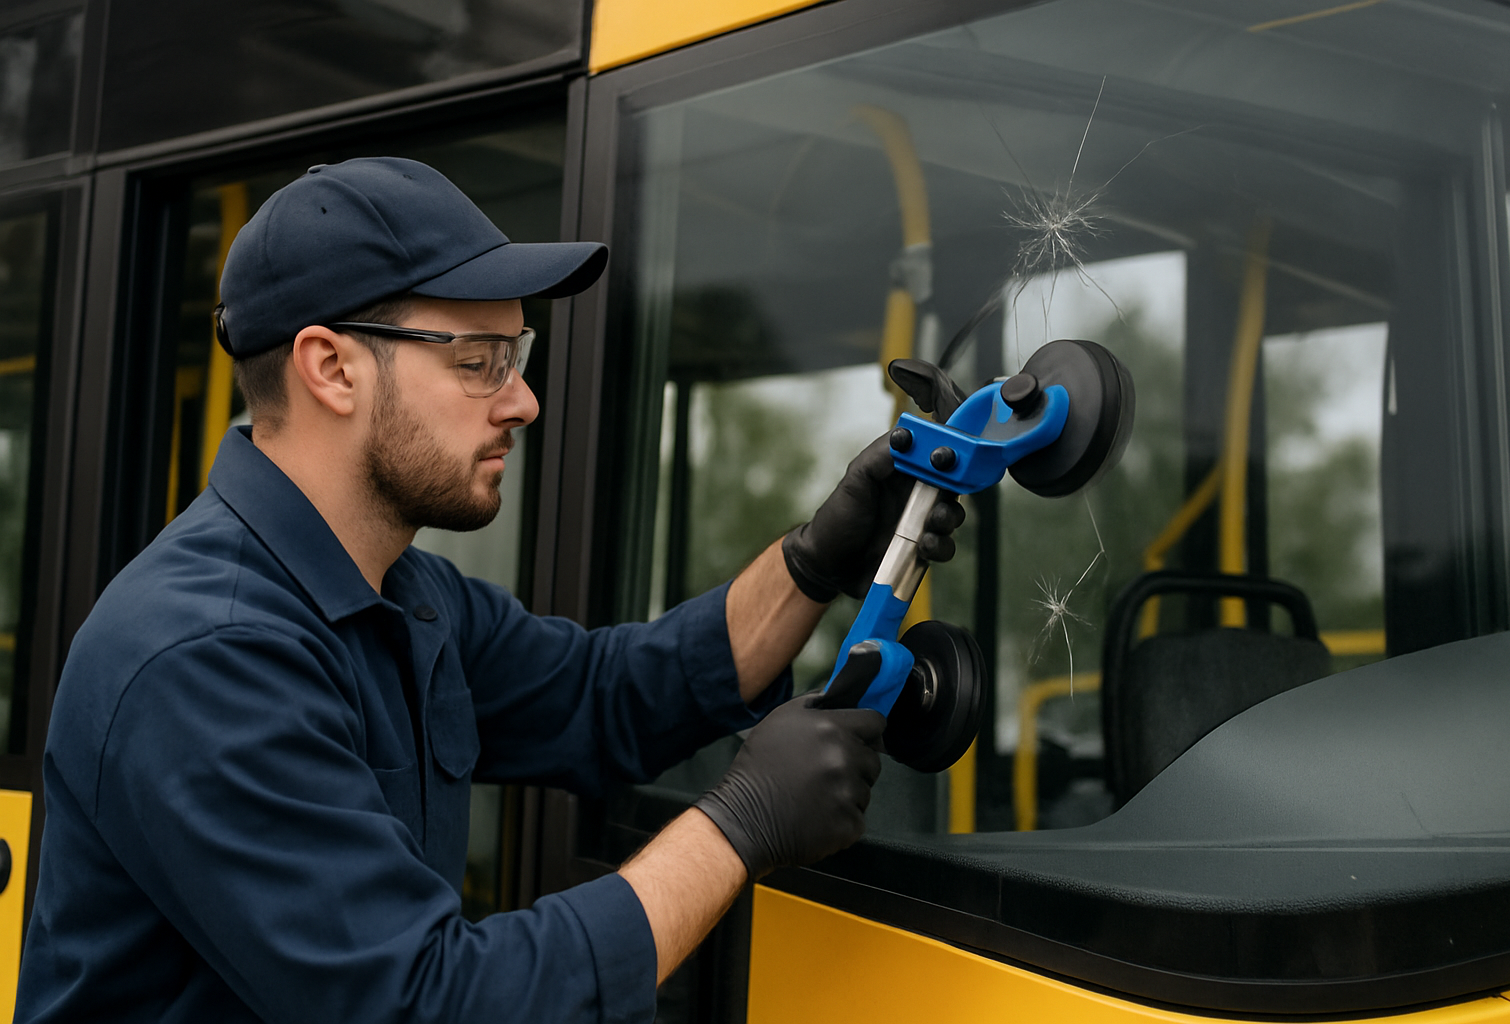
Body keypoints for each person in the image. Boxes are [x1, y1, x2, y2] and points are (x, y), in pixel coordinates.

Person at [14, 157, 963, 1023]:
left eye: (518, 357)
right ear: (331, 368)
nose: (523, 401)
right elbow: (427, 1004)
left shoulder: (405, 594)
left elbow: (608, 695)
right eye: (478, 363)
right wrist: (741, 824)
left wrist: (814, 560)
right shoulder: (203, 654)